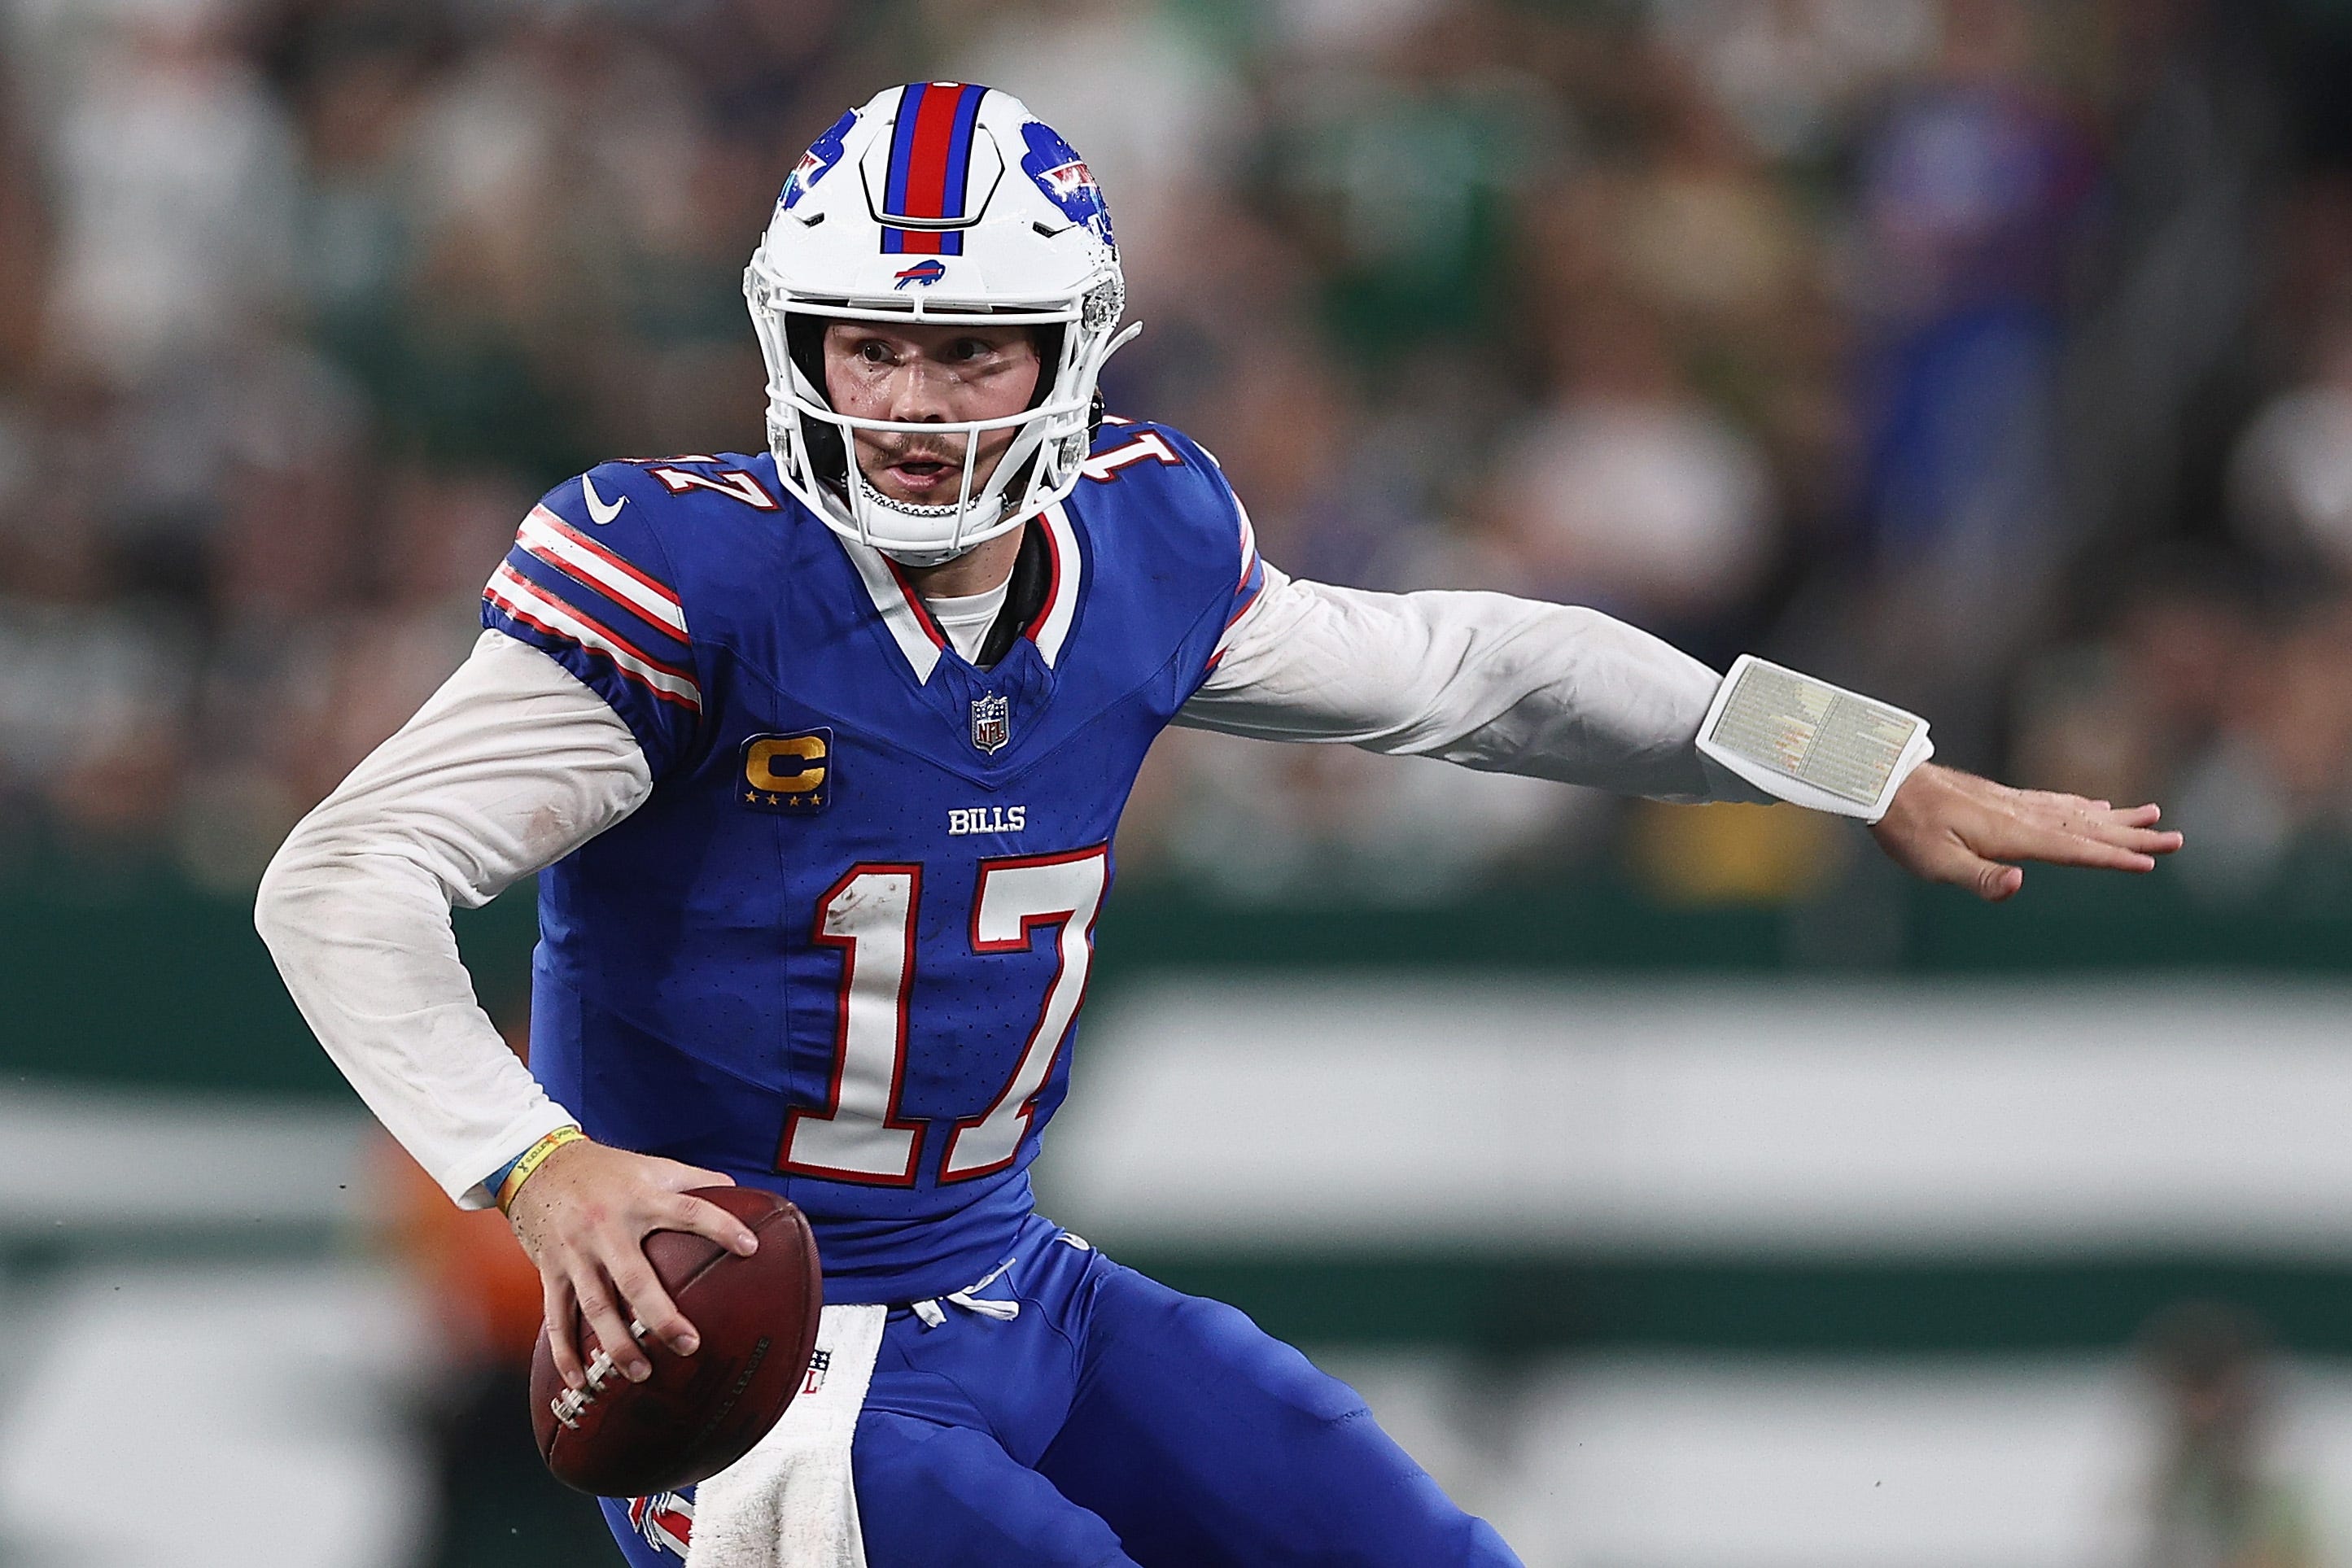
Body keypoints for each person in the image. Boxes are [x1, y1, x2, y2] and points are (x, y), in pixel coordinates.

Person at [255, 84, 2180, 1568]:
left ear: (1071, 353)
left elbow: (1472, 669)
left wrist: (1863, 760)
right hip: (750, 1365)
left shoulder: (1142, 544)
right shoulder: (688, 580)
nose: (912, 401)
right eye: (870, 344)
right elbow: (344, 875)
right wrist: (539, 1169)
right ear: (795, 344)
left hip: (1011, 1282)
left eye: (972, 349)